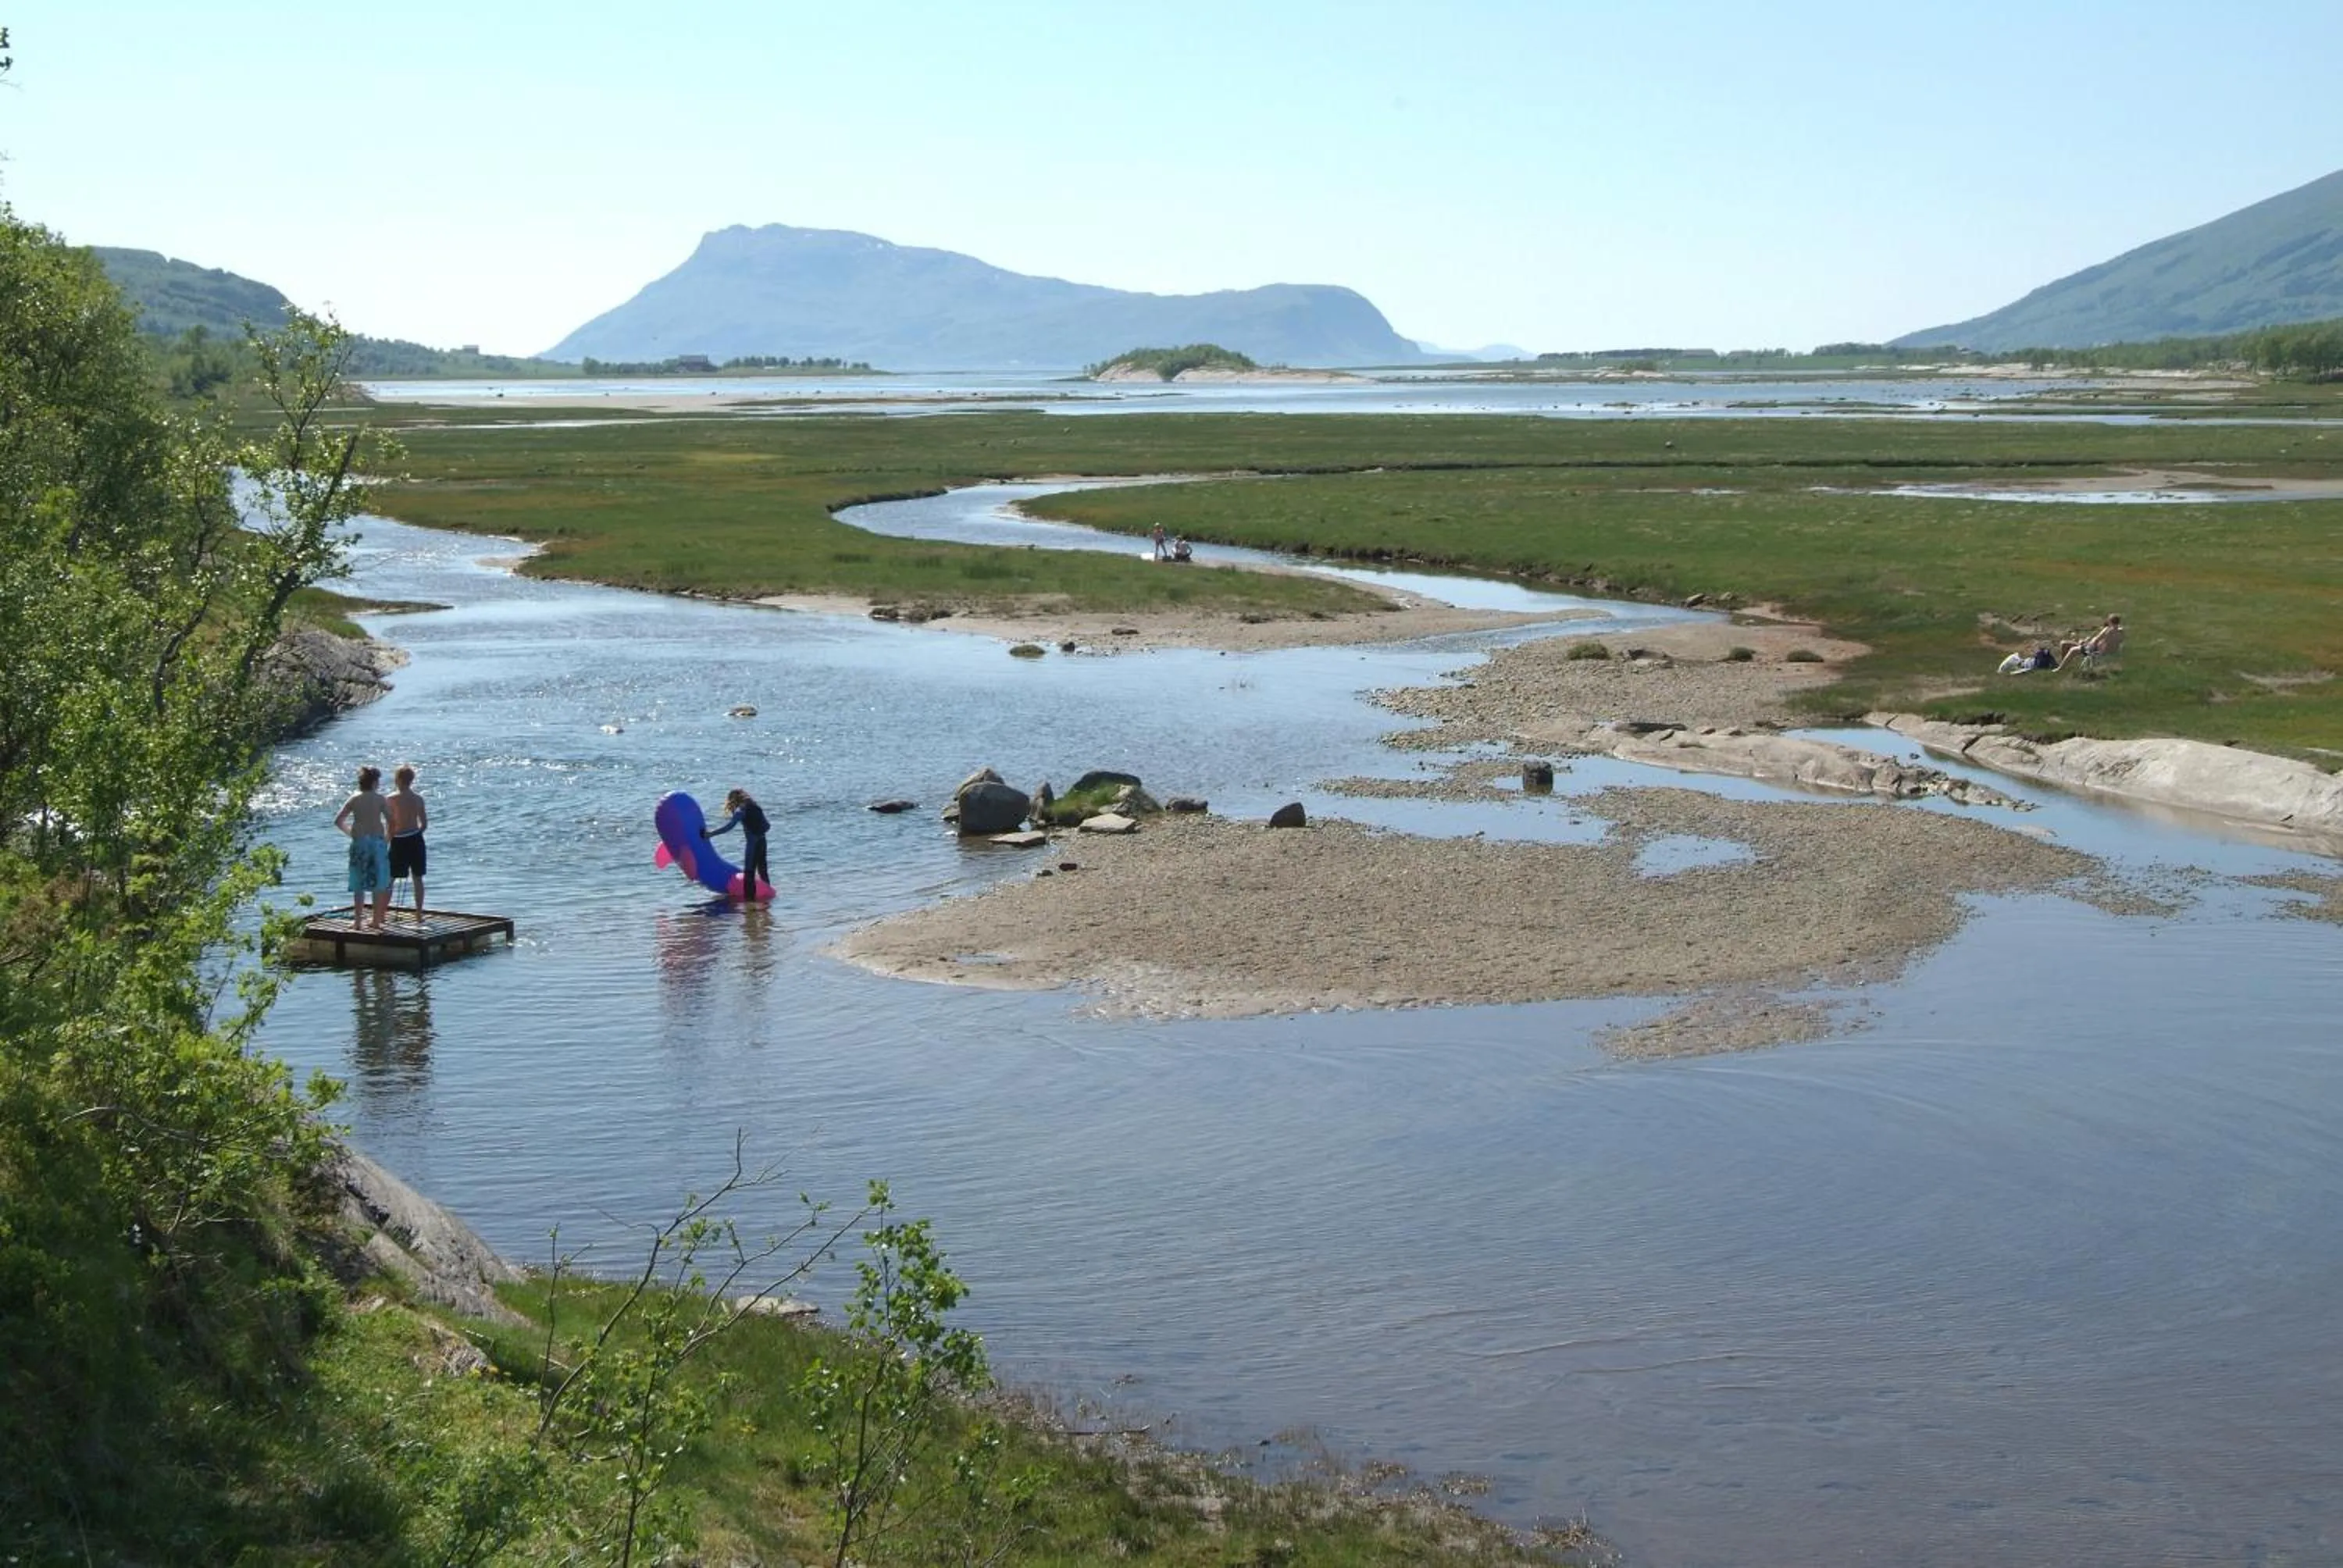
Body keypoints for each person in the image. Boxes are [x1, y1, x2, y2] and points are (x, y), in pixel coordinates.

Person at [333, 766, 393, 930]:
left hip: (360, 842)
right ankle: (376, 920)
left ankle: (358, 922)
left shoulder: (354, 799)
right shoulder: (380, 799)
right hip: (377, 843)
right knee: (377, 882)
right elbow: (392, 821)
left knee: (358, 882)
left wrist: (351, 834)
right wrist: (387, 838)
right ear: (374, 783)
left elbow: (338, 821)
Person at [701, 787, 772, 902]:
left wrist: (710, 834)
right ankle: (768, 899)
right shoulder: (754, 805)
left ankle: (750, 905)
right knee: (763, 870)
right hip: (763, 841)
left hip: (753, 844)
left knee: (749, 874)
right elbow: (767, 825)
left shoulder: (741, 810)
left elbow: (729, 827)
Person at [387, 763, 430, 922]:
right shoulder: (418, 799)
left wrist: (387, 840)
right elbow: (424, 824)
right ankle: (419, 914)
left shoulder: (390, 799)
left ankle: (382, 913)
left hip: (398, 840)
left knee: (390, 878)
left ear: (398, 780)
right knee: (417, 878)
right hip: (416, 839)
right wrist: (416, 835)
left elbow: (390, 825)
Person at [2058, 614, 2125, 670]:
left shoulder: (2107, 630)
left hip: (2096, 651)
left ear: (2109, 621)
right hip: (2110, 653)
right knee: (2066, 643)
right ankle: (2064, 665)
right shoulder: (2121, 631)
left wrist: (2084, 644)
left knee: (2069, 648)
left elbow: (2095, 642)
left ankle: (2061, 668)